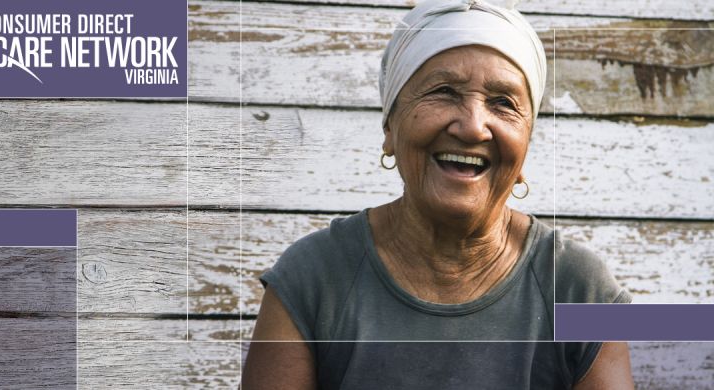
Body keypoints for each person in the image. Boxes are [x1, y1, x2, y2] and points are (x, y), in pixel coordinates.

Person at [244, 0, 633, 388]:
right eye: (445, 91)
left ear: (526, 140)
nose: (473, 127)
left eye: (503, 103)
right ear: (390, 127)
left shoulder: (581, 290)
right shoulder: (312, 278)